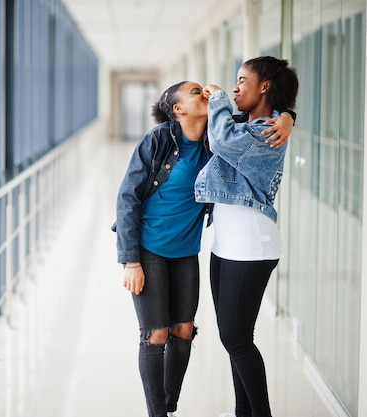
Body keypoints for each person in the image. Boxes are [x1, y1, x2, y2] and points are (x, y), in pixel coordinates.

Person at [114, 80, 294, 417]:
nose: (206, 94)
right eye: (196, 92)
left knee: (183, 330)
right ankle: (158, 414)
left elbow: (259, 119)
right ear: (178, 109)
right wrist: (130, 260)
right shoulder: (158, 141)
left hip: (185, 251)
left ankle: (169, 404)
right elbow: (127, 197)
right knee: (156, 334)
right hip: (149, 249)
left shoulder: (218, 139)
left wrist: (288, 117)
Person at [194, 56, 299, 417]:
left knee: (235, 338)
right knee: (236, 337)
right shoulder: (251, 123)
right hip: (226, 244)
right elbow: (218, 132)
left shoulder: (267, 130)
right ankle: (243, 413)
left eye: (242, 80)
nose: (235, 87)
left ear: (265, 85)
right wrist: (291, 115)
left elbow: (221, 138)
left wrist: (221, 98)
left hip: (251, 245)